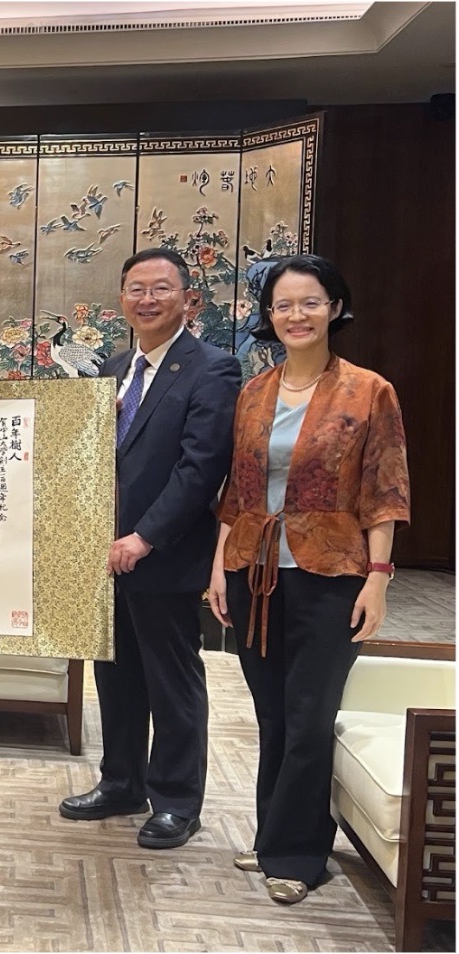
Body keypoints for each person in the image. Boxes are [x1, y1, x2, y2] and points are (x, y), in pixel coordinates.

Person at [208, 254, 409, 904]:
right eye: (283, 305)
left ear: (336, 308)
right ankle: (276, 836)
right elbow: (237, 494)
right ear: (269, 317)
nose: (296, 315)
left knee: (309, 714)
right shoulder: (253, 392)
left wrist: (377, 577)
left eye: (310, 302)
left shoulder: (368, 390)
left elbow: (385, 490)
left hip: (331, 574)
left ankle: (299, 854)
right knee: (272, 713)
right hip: (253, 572)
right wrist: (219, 567)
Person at [60, 247, 240, 849]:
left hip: (163, 553)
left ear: (187, 298)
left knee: (173, 679)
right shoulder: (113, 370)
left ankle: (176, 801)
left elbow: (200, 468)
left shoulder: (212, 368)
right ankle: (121, 782)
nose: (147, 299)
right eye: (136, 289)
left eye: (161, 289)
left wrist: (144, 536)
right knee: (116, 676)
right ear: (121, 300)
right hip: (103, 555)